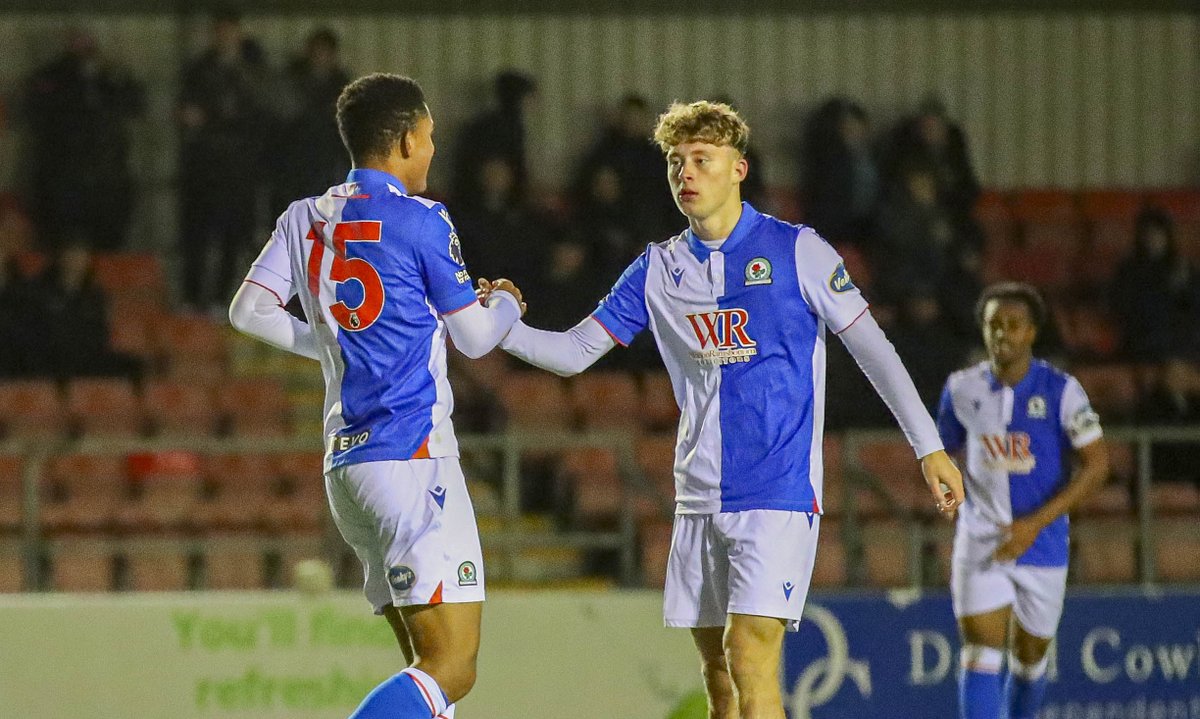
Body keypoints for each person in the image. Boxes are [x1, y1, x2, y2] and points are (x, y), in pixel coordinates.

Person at [484, 100, 963, 719]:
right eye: (676, 162)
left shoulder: (799, 251)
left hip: (778, 491)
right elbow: (576, 352)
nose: (686, 173)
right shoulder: (658, 268)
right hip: (698, 494)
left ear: (738, 168)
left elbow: (876, 351)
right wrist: (501, 326)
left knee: (748, 654)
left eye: (701, 160)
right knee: (718, 679)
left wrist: (928, 448)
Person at [228, 73, 524, 719]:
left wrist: (335, 346)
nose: (434, 151)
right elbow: (474, 338)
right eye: (431, 138)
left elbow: (248, 311)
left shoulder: (304, 216)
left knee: (425, 668)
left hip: (348, 467)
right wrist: (504, 302)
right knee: (454, 666)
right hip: (414, 459)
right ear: (406, 138)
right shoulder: (422, 220)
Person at [937, 282, 1109, 719]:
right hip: (982, 537)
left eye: (1014, 325)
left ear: (1032, 333)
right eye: (994, 325)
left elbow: (1097, 465)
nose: (1003, 334)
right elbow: (943, 453)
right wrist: (947, 491)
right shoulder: (960, 389)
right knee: (981, 650)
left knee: (1030, 657)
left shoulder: (1063, 391)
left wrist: (1035, 524)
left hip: (1044, 541)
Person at [177, 9, 270, 311]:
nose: (224, 37)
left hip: (239, 167)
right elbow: (185, 111)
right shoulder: (198, 69)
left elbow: (258, 116)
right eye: (219, 30)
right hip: (202, 164)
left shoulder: (253, 71)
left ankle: (219, 298)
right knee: (196, 233)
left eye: (229, 31)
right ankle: (191, 297)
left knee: (233, 234)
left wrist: (212, 117)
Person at [23, 28, 144, 250]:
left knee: (108, 246)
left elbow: (136, 105)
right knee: (63, 245)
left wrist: (114, 74)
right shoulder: (51, 76)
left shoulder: (112, 77)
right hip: (63, 180)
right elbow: (35, 112)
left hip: (107, 181)